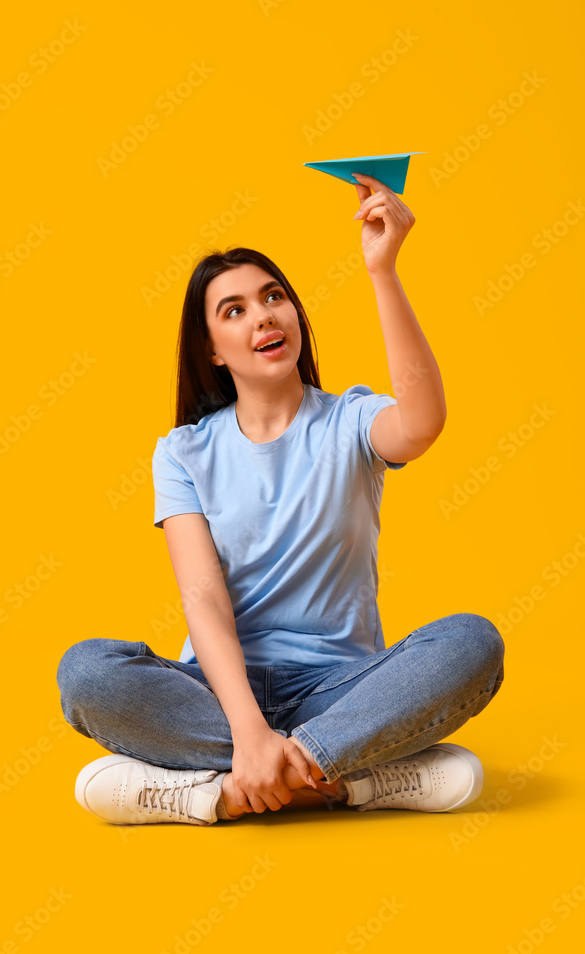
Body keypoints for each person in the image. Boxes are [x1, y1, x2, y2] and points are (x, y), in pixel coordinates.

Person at [56, 173, 505, 826]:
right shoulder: (181, 453)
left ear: (295, 314)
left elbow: (423, 421)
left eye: (273, 297)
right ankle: (347, 780)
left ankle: (212, 793)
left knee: (471, 644)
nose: (262, 314)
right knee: (88, 673)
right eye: (233, 310)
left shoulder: (350, 421)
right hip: (215, 694)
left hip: (340, 693)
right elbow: (202, 598)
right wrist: (247, 730)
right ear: (211, 349)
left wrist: (382, 271)